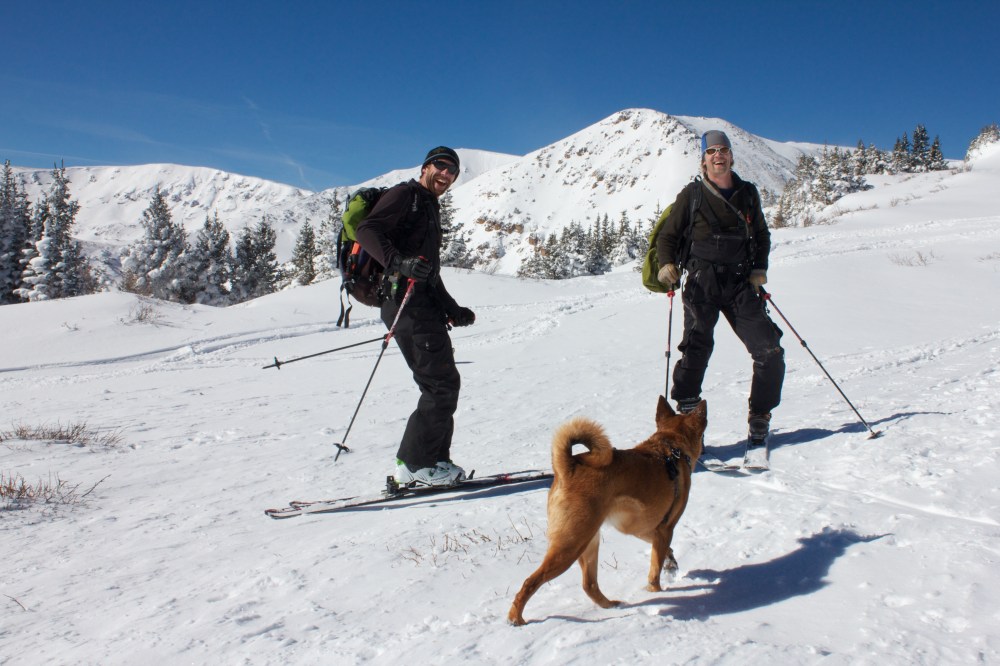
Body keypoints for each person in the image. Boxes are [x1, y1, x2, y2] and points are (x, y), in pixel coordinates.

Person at [355, 146, 476, 486]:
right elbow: (367, 231)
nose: (447, 174)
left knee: (443, 382)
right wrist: (398, 261)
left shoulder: (427, 207)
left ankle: (434, 460)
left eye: (453, 171)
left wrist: (452, 308)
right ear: (425, 167)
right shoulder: (405, 195)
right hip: (405, 304)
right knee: (439, 385)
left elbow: (428, 272)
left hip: (422, 304)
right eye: (441, 166)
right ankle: (415, 465)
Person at [654, 130, 785, 445]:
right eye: (711, 151)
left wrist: (758, 269)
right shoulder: (693, 195)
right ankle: (686, 419)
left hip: (740, 282)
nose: (718, 155)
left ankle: (760, 417)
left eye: (723, 150)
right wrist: (666, 265)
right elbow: (667, 237)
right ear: (704, 159)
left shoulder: (748, 193)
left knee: (769, 349)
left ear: (731, 156)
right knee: (697, 349)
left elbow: (762, 235)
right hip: (702, 282)